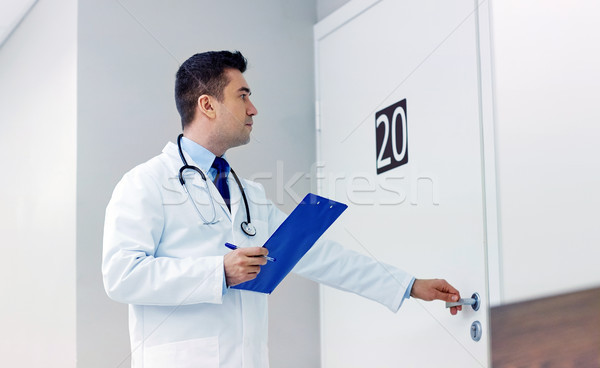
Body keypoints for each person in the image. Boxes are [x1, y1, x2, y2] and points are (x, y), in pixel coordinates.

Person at [102, 50, 463, 368]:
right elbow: (121, 276)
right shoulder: (145, 183)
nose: (253, 108)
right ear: (207, 105)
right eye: (242, 96)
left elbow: (318, 256)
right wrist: (218, 273)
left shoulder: (249, 195)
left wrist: (408, 285)